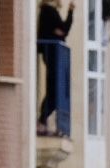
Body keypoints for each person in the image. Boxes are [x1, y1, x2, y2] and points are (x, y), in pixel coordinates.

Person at [36, 1, 73, 135]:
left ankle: (43, 120)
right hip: (52, 53)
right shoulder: (48, 11)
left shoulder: (48, 11)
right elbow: (64, 30)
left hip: (53, 54)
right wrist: (70, 12)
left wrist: (60, 31)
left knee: (56, 89)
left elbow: (62, 31)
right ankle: (42, 121)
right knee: (55, 88)